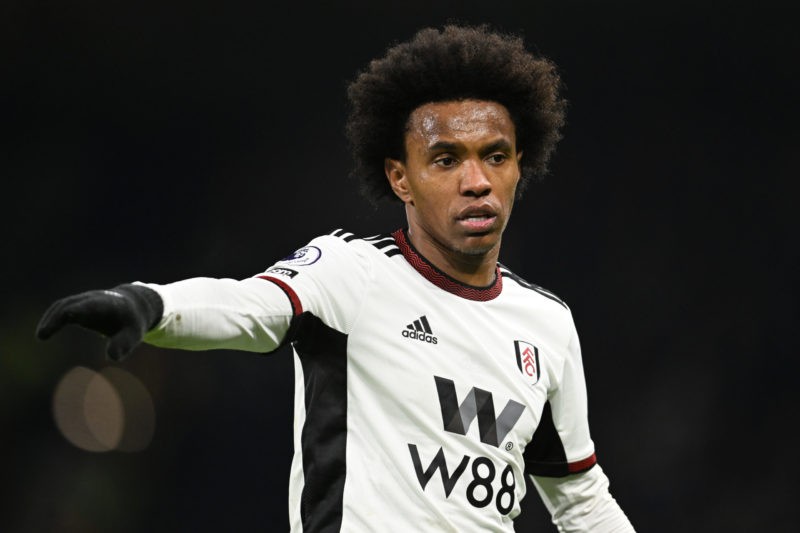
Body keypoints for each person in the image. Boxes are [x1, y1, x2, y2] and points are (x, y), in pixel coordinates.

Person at [36, 24, 635, 532]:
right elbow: (251, 307)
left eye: (495, 155)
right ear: (401, 179)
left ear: (518, 166)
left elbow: (580, 500)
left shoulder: (547, 324)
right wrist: (151, 303)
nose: (476, 180)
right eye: (446, 159)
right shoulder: (354, 274)